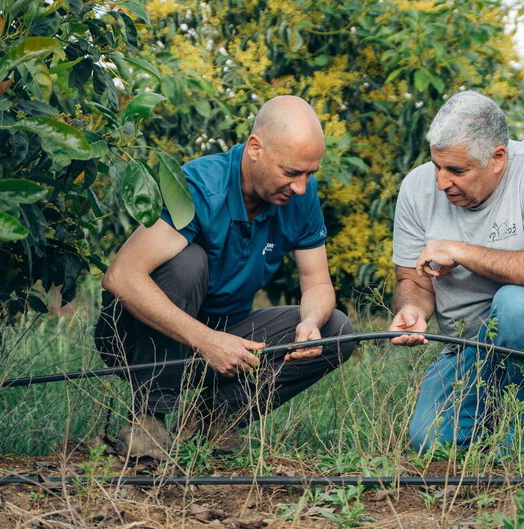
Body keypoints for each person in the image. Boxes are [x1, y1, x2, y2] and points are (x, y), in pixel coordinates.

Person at [97, 95, 356, 458]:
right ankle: (147, 418)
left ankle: (209, 421)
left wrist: (310, 323)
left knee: (337, 330)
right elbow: (121, 277)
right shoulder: (199, 185)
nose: (301, 186)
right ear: (255, 149)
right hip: (135, 338)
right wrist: (206, 340)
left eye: (309, 173)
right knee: (188, 261)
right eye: (291, 172)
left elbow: (317, 283)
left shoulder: (300, 194)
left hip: (224, 334)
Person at [388, 90, 524, 455]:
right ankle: (501, 403)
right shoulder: (416, 188)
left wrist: (460, 251)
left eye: (457, 171)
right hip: (474, 342)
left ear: (497, 158)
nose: (441, 182)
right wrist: (413, 308)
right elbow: (412, 279)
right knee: (429, 441)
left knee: (516, 303)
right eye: (437, 166)